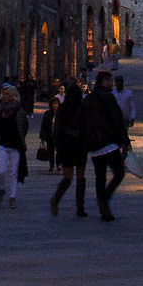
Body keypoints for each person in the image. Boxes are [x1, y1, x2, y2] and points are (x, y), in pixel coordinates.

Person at [83, 68, 129, 221]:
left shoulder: (88, 99)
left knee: (100, 177)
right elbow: (116, 119)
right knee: (119, 172)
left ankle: (103, 207)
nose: (112, 84)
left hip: (94, 145)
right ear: (104, 82)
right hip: (108, 142)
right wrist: (124, 140)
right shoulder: (108, 97)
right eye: (110, 81)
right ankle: (104, 200)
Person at [49, 80, 89, 215]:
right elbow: (87, 128)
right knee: (80, 177)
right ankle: (80, 207)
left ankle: (56, 198)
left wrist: (57, 145)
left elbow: (57, 129)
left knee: (67, 177)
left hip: (66, 145)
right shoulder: (82, 109)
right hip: (80, 145)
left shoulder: (62, 110)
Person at [0, 85, 27, 207]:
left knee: (14, 172)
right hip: (2, 144)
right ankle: (1, 188)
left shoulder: (18, 110)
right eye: (3, 94)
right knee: (1, 170)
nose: (4, 96)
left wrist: (21, 139)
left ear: (12, 96)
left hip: (15, 145)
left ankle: (12, 196)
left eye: (7, 94)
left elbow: (24, 126)